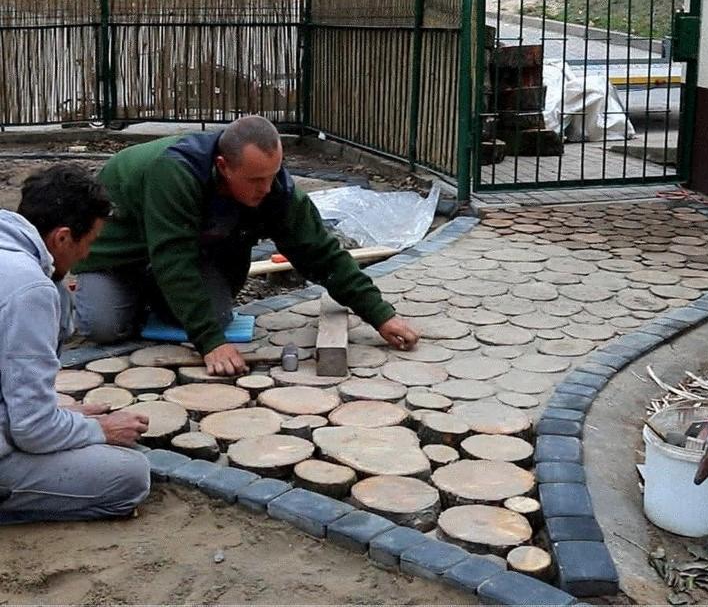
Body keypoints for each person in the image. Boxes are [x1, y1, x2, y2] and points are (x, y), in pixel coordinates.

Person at [73, 116, 420, 376]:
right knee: (104, 327)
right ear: (223, 167)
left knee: (217, 314)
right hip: (119, 252)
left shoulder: (275, 190)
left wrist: (380, 315)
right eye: (255, 180)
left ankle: (155, 293)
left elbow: (321, 253)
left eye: (273, 174)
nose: (267, 188)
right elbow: (173, 259)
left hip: (176, 252)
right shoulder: (175, 173)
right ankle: (124, 292)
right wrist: (210, 343)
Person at [0, 164, 150, 524]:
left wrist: (61, 417)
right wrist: (100, 429)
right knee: (130, 475)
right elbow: (32, 430)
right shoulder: (29, 288)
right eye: (90, 242)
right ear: (63, 238)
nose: (87, 256)